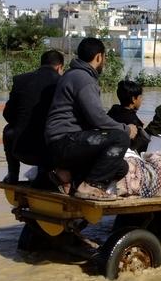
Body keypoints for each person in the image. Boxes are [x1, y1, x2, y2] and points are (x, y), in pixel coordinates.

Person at [44, 38, 137, 200]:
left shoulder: (73, 74)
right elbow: (98, 118)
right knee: (120, 138)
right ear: (99, 57)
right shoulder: (84, 79)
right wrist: (126, 129)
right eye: (105, 58)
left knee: (120, 167)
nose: (104, 62)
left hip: (62, 144)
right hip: (64, 142)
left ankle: (68, 177)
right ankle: (89, 186)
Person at [2, 49, 64, 184]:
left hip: (20, 149)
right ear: (60, 67)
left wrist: (22, 124)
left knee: (8, 130)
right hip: (49, 153)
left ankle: (13, 174)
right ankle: (44, 173)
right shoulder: (62, 83)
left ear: (41, 64)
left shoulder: (21, 80)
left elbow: (8, 114)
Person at [108, 80, 150, 153]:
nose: (142, 100)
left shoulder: (113, 110)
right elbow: (140, 147)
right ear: (134, 99)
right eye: (140, 97)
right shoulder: (133, 121)